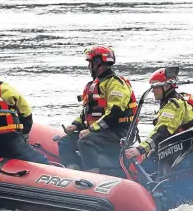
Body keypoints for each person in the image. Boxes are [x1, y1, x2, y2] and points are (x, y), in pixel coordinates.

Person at [58, 45, 137, 175]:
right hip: (101, 130)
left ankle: (92, 178)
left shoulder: (115, 84)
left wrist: (90, 130)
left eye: (90, 63)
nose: (89, 67)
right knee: (65, 142)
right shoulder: (96, 84)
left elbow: (114, 113)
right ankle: (73, 175)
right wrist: (75, 125)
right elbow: (87, 113)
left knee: (86, 142)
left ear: (98, 63)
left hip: (118, 131)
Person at [124, 67, 193, 173]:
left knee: (147, 167)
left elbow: (163, 131)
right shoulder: (179, 100)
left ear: (166, 86)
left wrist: (140, 149)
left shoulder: (174, 106)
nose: (152, 91)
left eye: (155, 87)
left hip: (188, 150)